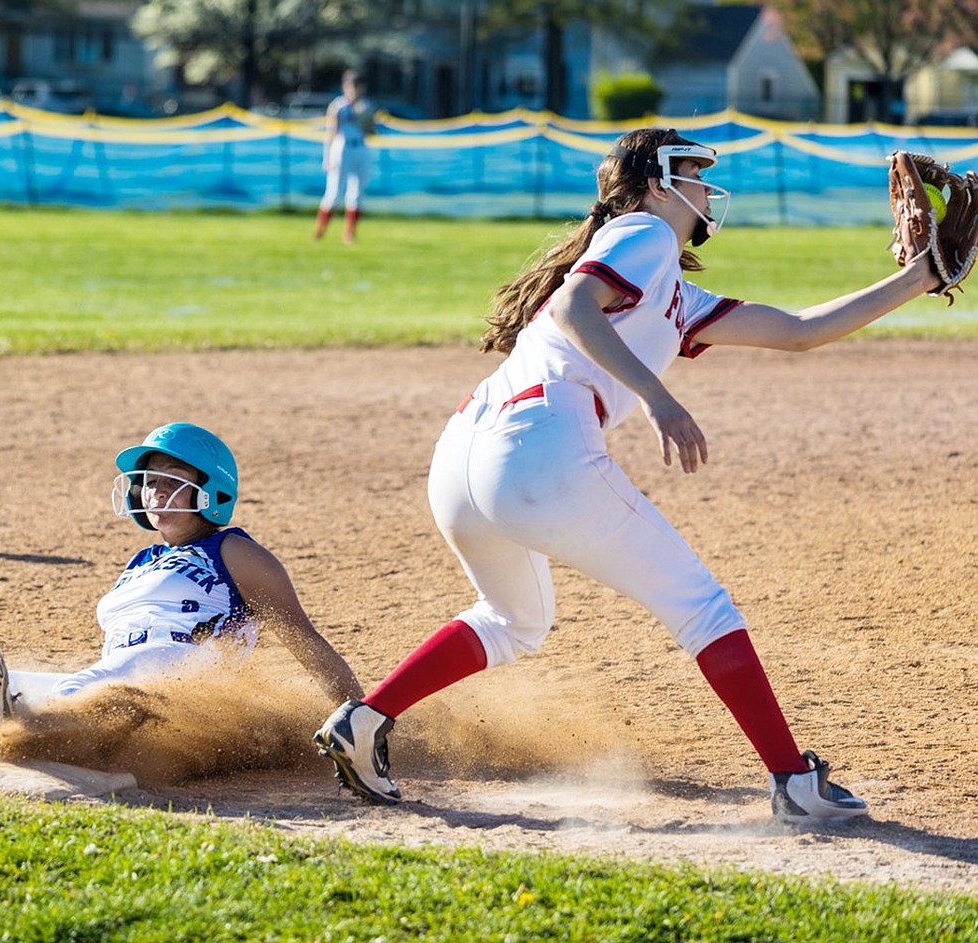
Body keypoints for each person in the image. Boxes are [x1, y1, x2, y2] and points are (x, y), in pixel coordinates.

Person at [314, 127, 949, 822]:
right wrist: (658, 396)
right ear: (655, 183)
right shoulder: (642, 232)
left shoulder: (671, 288)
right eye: (695, 172)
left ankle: (367, 718)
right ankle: (794, 784)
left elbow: (798, 329)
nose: (707, 186)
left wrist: (920, 276)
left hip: (464, 459)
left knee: (515, 618)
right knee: (703, 607)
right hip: (538, 447)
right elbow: (573, 305)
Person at [0, 421, 363, 751]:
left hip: (187, 670)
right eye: (151, 481)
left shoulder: (233, 550)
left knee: (79, 694)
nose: (156, 492)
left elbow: (303, 638)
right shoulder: (142, 561)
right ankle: (7, 729)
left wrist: (362, 720)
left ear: (209, 491)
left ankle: (17, 740)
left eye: (172, 480)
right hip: (133, 672)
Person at [313, 70, 376, 244]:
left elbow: (372, 132)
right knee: (334, 192)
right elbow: (331, 132)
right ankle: (320, 231)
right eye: (351, 86)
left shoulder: (366, 106)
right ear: (345, 86)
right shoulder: (338, 106)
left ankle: (349, 234)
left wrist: (365, 120)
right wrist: (327, 156)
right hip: (342, 148)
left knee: (356, 193)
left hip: (361, 147)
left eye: (358, 86)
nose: (355, 90)